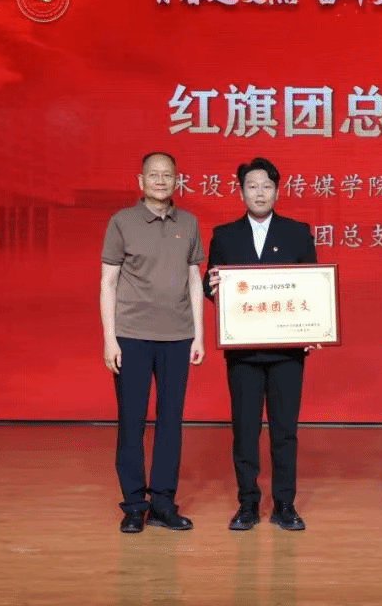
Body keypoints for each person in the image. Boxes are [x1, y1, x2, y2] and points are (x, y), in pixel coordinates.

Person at [204, 157, 316, 531]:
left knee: (285, 430)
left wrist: (316, 326)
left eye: (267, 186)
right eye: (252, 186)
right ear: (241, 192)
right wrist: (212, 285)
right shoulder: (224, 235)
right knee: (245, 430)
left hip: (287, 352)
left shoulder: (297, 233)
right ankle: (248, 503)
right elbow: (209, 285)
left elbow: (312, 286)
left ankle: (285, 504)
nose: (260, 192)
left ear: (277, 191)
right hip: (244, 351)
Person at [100, 151, 205, 534]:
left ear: (177, 180)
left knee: (170, 422)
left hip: (178, 337)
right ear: (141, 181)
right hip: (131, 337)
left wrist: (199, 335)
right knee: (132, 422)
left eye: (168, 175)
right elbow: (108, 282)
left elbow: (194, 279)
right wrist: (110, 339)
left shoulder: (189, 223)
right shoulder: (122, 222)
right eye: (154, 175)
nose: (161, 181)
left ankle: (162, 503)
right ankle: (133, 505)